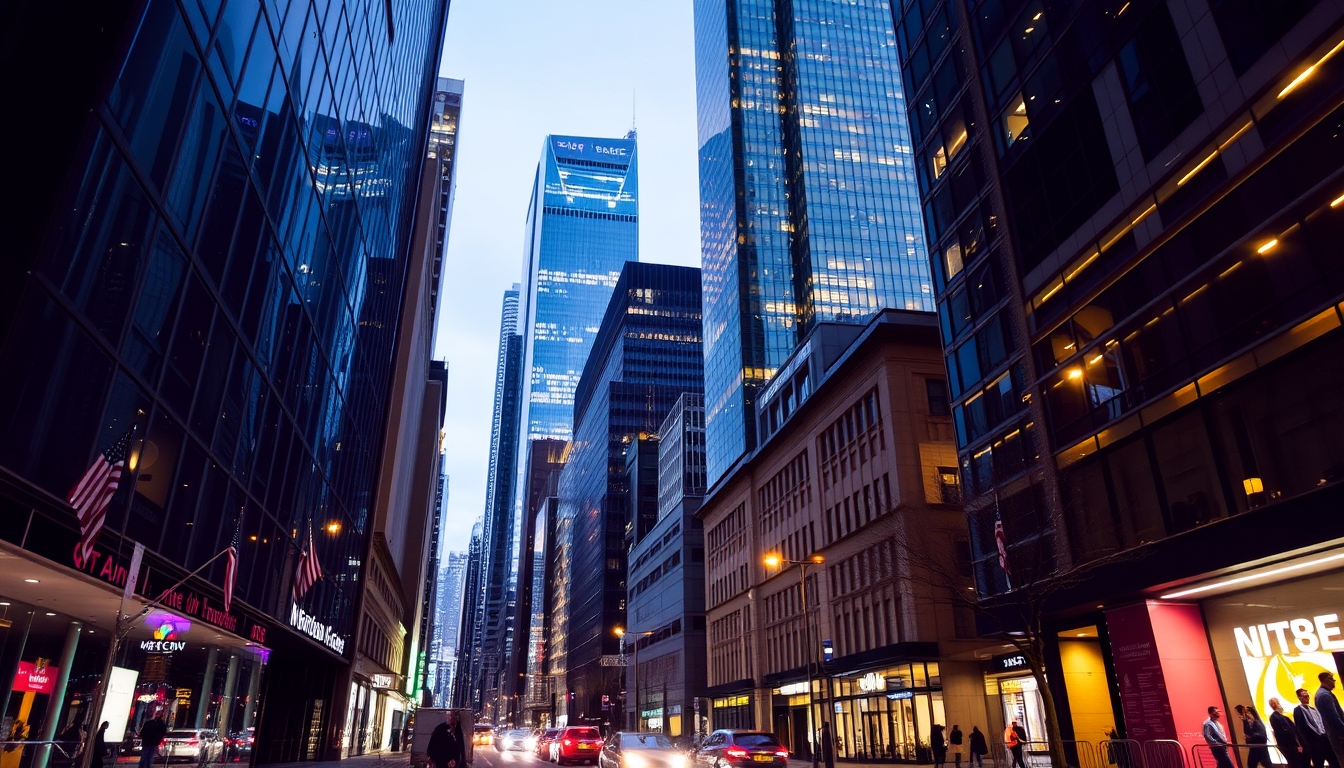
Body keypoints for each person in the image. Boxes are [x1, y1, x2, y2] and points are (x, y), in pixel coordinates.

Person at [1295, 687, 1333, 768]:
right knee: (1319, 762)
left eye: (1308, 696)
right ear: (1299, 697)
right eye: (1305, 696)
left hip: (1323, 738)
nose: (1307, 698)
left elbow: (1320, 722)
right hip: (1313, 742)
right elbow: (1300, 729)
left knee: (1333, 759)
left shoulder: (1313, 709)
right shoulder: (1298, 710)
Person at [1317, 673, 1344, 766]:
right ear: (1325, 679)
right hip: (1339, 737)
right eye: (1332, 679)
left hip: (1336, 735)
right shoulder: (1324, 695)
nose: (1334, 681)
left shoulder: (1323, 694)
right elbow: (1333, 718)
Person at [1270, 698, 1303, 768]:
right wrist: (1296, 744)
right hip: (1288, 745)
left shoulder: (1282, 717)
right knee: (1294, 763)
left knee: (1296, 762)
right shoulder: (1275, 717)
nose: (1280, 705)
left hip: (1290, 744)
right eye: (1278, 703)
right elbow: (1284, 732)